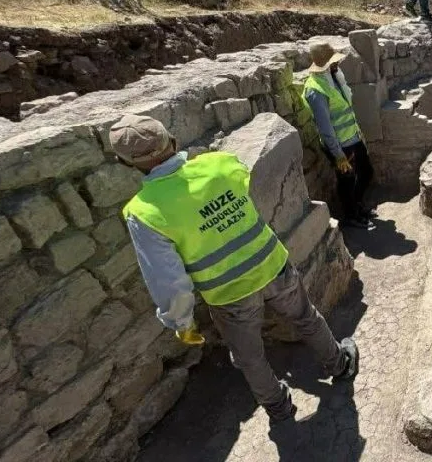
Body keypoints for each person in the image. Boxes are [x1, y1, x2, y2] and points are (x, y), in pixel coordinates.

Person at [112, 114, 359, 423]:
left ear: (127, 165)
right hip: (270, 264)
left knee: (250, 357)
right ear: (173, 140)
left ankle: (279, 408)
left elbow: (167, 280)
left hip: (229, 293)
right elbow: (239, 181)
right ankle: (339, 364)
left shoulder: (143, 212)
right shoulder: (219, 163)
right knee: (306, 318)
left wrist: (182, 322)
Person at [301, 43, 376, 229]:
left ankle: (357, 205)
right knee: (347, 181)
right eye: (334, 62)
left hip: (353, 138)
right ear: (325, 66)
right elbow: (325, 127)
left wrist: (359, 134)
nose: (338, 64)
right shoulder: (315, 90)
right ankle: (351, 215)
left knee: (366, 172)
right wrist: (338, 155)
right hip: (341, 146)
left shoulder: (333, 79)